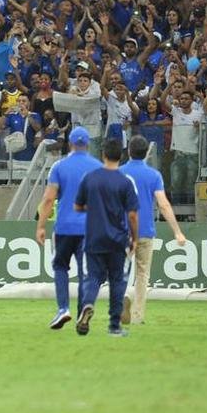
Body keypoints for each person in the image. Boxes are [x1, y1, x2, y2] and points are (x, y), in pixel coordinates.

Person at [35, 126, 102, 330]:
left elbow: (48, 199)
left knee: (60, 267)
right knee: (85, 272)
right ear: (88, 144)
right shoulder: (98, 167)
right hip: (90, 228)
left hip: (64, 226)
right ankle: (83, 310)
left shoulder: (59, 167)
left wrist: (41, 226)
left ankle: (63, 308)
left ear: (70, 143)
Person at [73, 138, 140, 337]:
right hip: (118, 239)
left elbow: (77, 206)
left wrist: (94, 208)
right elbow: (132, 215)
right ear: (121, 156)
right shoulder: (126, 181)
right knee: (117, 280)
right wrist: (135, 238)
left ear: (103, 155)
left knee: (93, 277)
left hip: (94, 236)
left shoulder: (90, 178)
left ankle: (87, 304)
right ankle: (114, 326)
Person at [120, 136, 187, 325]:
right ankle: (137, 316)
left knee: (120, 271)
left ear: (129, 151)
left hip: (123, 231)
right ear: (145, 154)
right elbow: (163, 204)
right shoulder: (154, 175)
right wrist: (177, 231)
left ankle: (122, 299)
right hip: (145, 231)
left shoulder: (119, 173)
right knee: (142, 275)